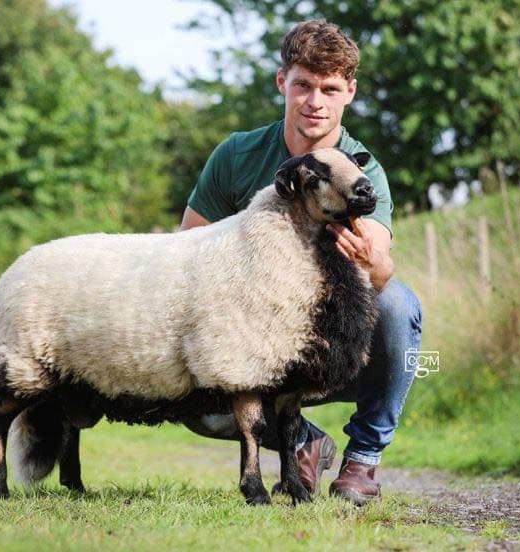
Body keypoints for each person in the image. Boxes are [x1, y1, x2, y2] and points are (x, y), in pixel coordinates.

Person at [178, 19, 422, 505]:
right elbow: (188, 248)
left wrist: (369, 260)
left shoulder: (362, 166)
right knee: (197, 400)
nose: (315, 101)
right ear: (281, 83)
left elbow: (378, 270)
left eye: (329, 89)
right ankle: (303, 441)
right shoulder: (237, 155)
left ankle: (363, 460)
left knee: (396, 305)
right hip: (257, 340)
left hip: (331, 346)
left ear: (349, 91)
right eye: (303, 85)